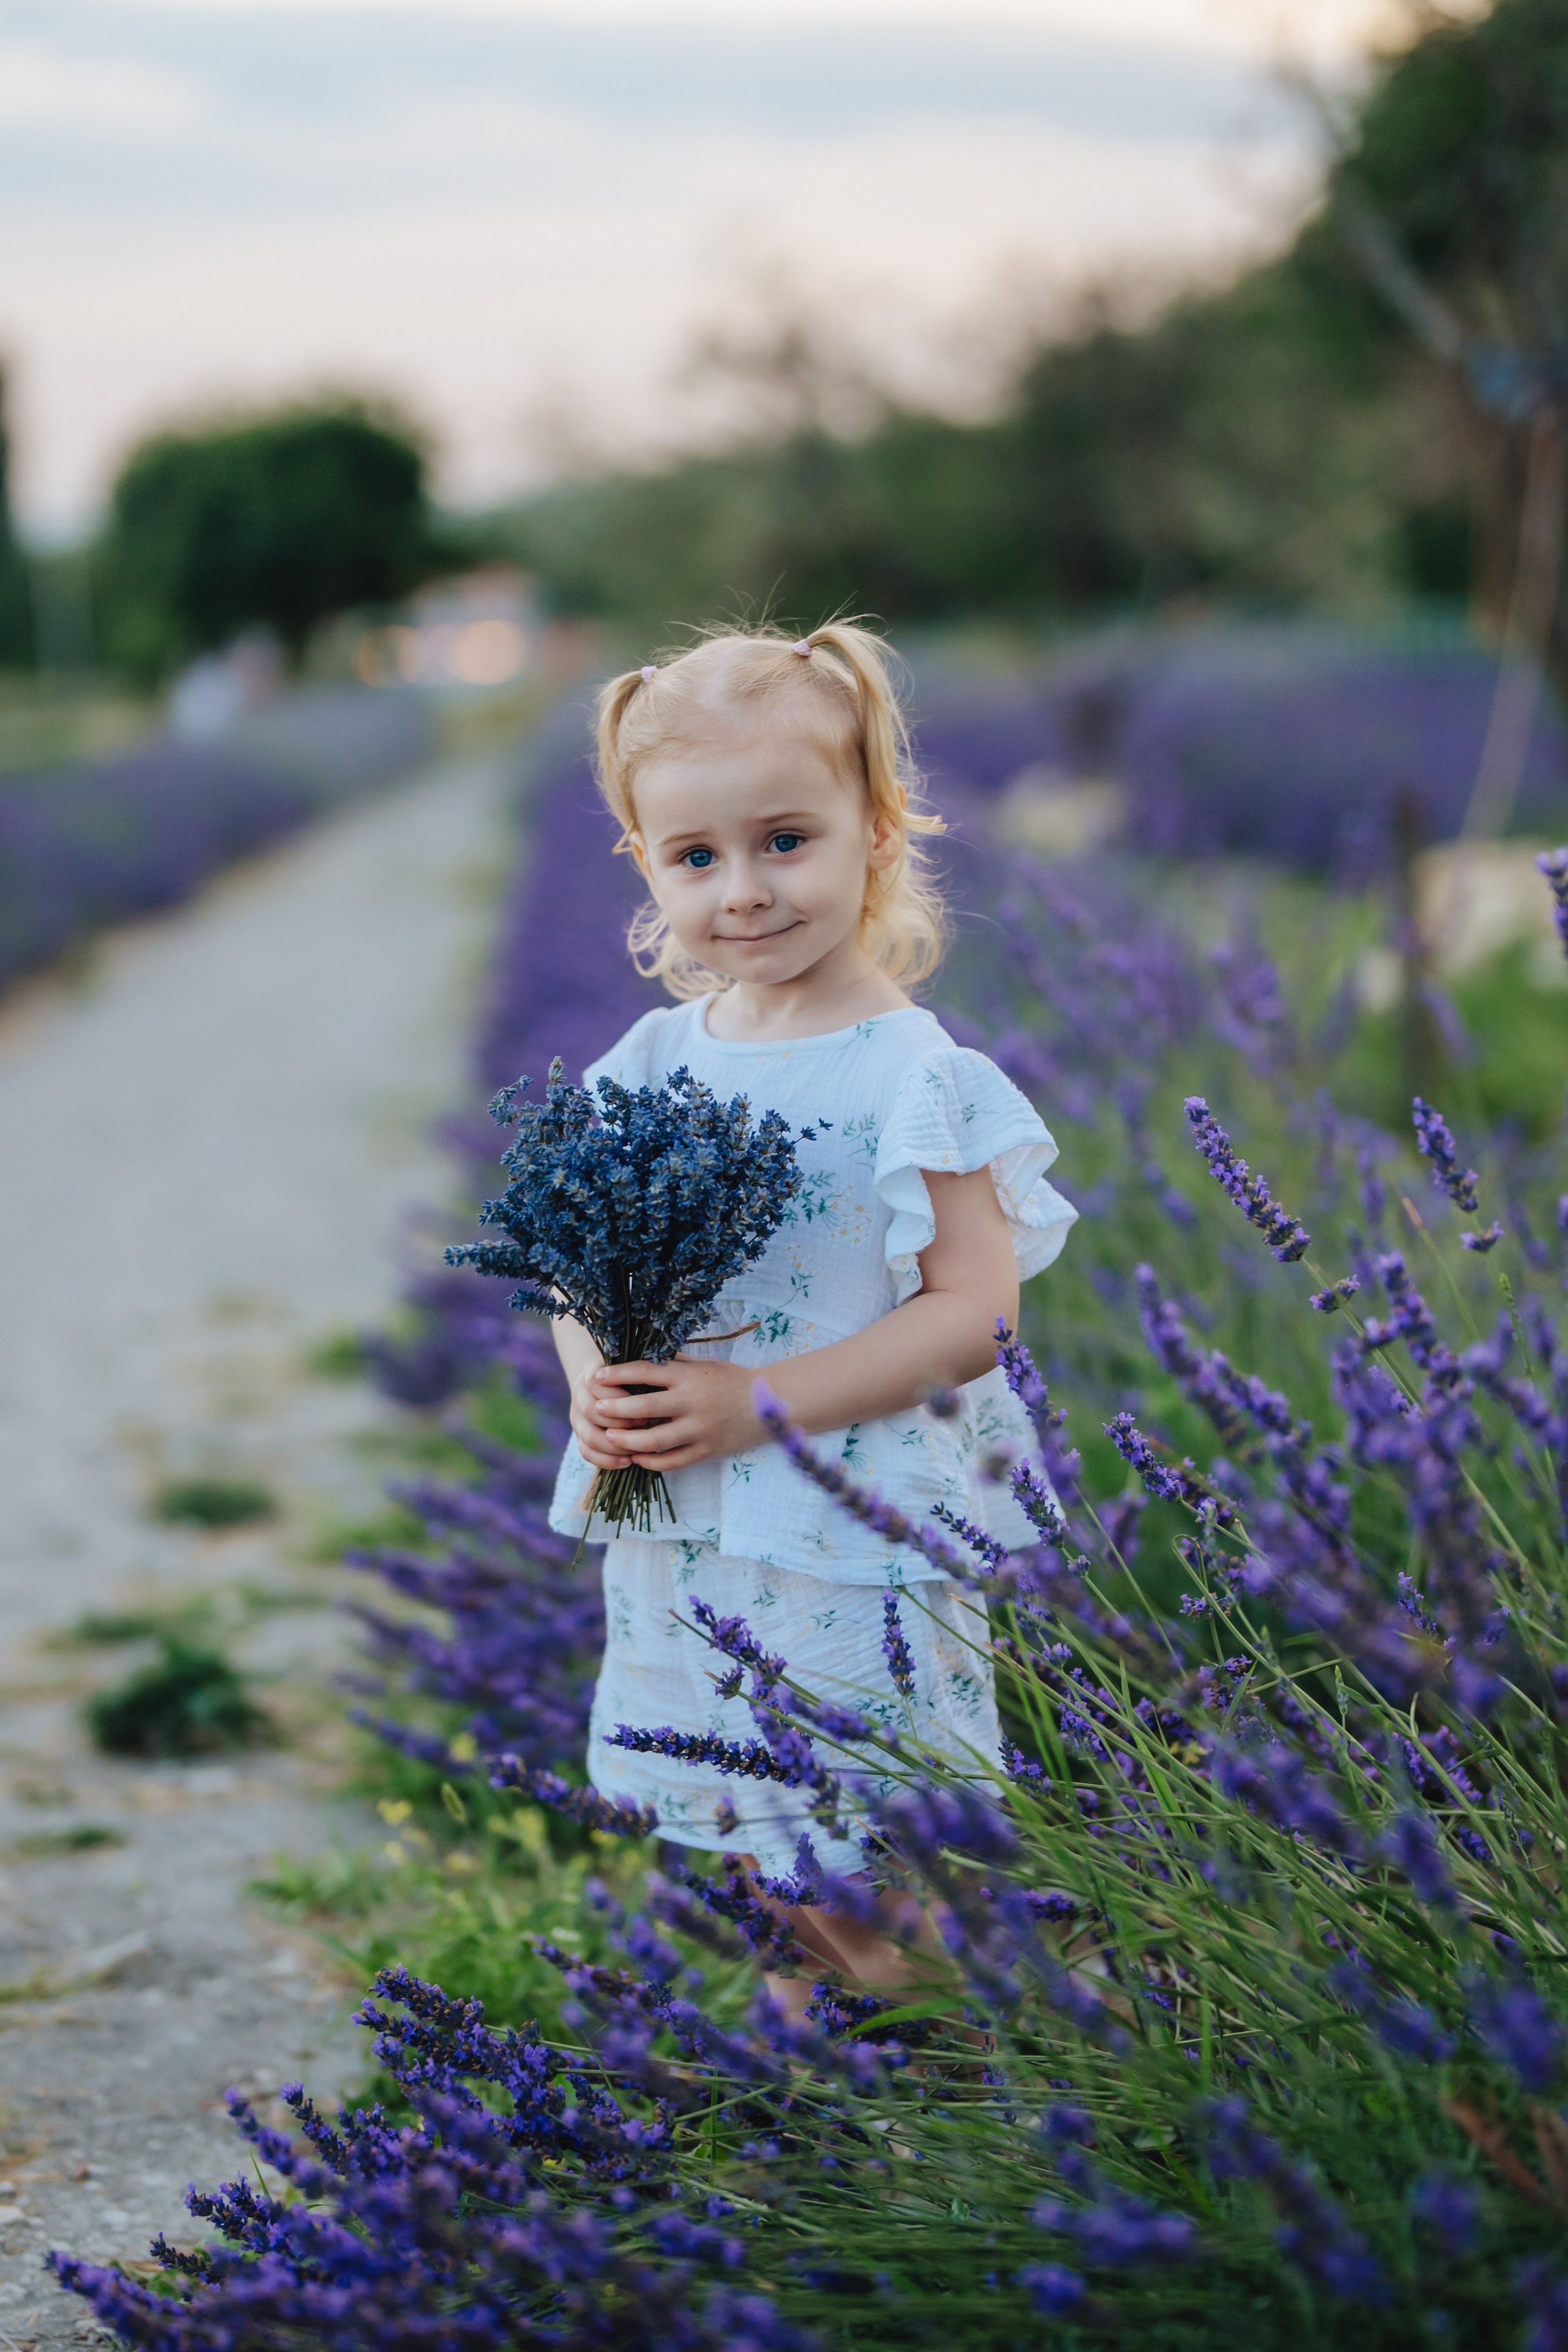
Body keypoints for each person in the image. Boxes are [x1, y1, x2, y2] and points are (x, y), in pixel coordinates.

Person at [548, 622, 1076, 1999]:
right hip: (689, 1522)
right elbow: (568, 1263)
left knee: (872, 1816)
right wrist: (589, 1370)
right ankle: (820, 2039)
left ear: (876, 831)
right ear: (647, 867)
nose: (743, 889)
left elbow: (974, 1312)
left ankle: (990, 2045)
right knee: (738, 1800)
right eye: (695, 857)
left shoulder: (913, 1072)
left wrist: (754, 1403)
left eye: (785, 839)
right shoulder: (651, 1058)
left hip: (848, 1522)